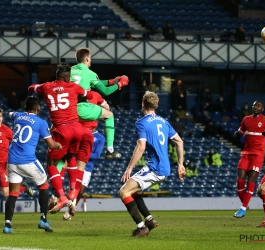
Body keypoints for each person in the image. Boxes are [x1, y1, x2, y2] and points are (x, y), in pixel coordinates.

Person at [28, 64, 94, 214]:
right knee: (70, 157)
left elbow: (31, 87)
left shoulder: (46, 87)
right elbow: (88, 95)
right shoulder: (73, 86)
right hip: (76, 128)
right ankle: (72, 191)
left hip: (61, 129)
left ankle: (62, 197)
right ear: (66, 77)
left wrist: (36, 88)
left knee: (51, 164)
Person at [119, 91, 185, 237]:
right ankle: (149, 220)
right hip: (164, 167)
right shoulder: (164, 121)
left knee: (123, 192)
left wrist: (129, 168)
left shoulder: (141, 123)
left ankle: (141, 227)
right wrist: (180, 165)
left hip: (155, 167)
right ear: (156, 105)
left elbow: (141, 146)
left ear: (143, 104)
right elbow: (179, 141)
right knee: (131, 191)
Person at [3, 96, 62, 234]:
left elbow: (9, 114)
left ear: (25, 108)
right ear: (38, 109)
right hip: (27, 160)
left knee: (13, 193)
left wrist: (17, 114)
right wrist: (58, 145)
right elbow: (51, 144)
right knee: (44, 185)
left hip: (11, 161)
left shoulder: (17, 115)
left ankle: (7, 225)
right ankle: (43, 219)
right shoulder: (41, 123)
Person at [70, 47, 129, 159]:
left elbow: (92, 83)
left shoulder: (70, 70)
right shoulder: (90, 73)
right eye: (90, 59)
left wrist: (112, 81)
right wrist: (119, 85)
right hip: (81, 108)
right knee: (109, 115)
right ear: (87, 59)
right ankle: (110, 150)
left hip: (67, 109)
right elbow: (105, 91)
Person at [233, 100, 265, 218]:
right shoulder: (246, 119)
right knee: (240, 181)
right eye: (254, 105)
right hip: (246, 153)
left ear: (262, 109)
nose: (255, 107)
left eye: (258, 106)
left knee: (251, 180)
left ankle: (243, 208)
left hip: (258, 154)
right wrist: (237, 134)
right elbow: (241, 132)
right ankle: (245, 203)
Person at [0, 107, 34, 202]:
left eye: (0, 116)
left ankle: (23, 188)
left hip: (2, 165)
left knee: (6, 194)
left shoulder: (7, 131)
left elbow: (17, 142)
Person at [63, 126, 105, 220]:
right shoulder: (80, 132)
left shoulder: (100, 137)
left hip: (88, 167)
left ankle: (71, 206)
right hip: (77, 165)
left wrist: (82, 153)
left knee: (81, 191)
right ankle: (69, 209)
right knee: (74, 189)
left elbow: (97, 155)